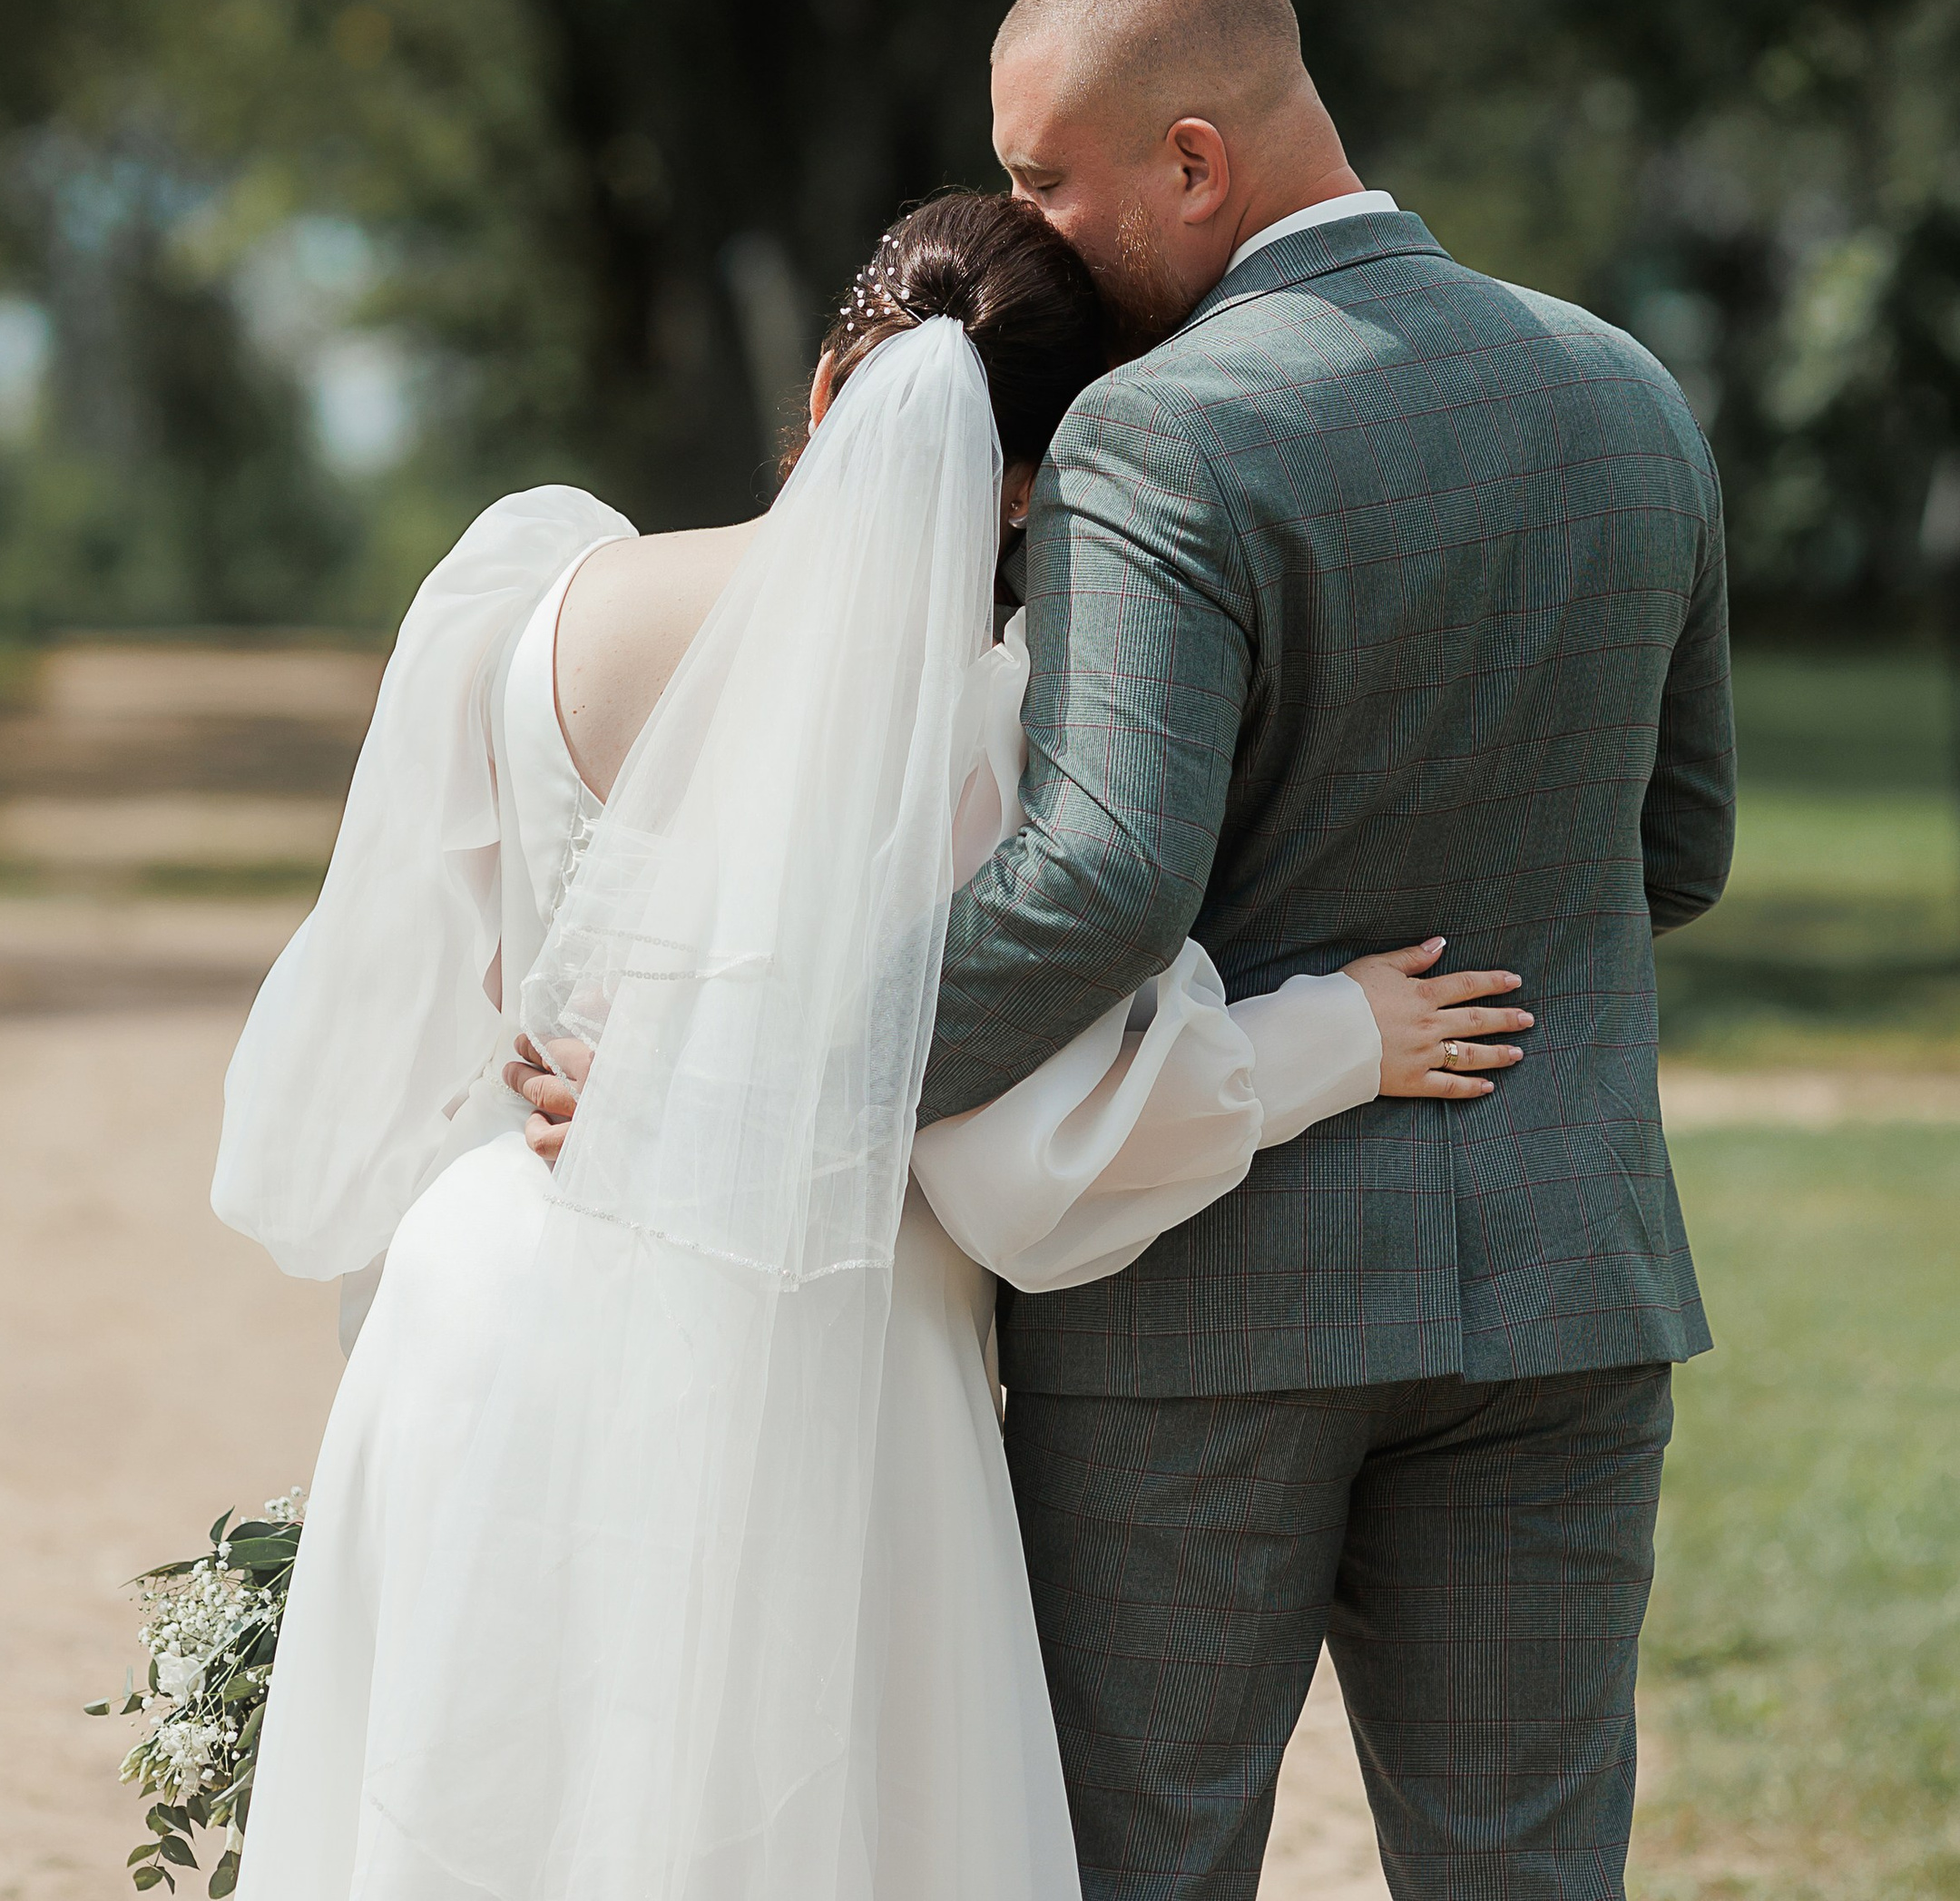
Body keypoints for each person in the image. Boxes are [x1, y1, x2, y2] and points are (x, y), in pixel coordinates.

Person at [211, 190, 1526, 1901]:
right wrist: (1338, 1035)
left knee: (483, 1814)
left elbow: (445, 968)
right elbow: (1026, 1151)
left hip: (494, 1289)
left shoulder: (539, 594)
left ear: (830, 387)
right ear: (1035, 485)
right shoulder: (982, 736)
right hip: (814, 1342)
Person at [904, 0, 1737, 1899]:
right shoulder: (1625, 393)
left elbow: (1099, 880)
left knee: (1141, 1864)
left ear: (1191, 163)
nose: (1027, 223)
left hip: (1203, 1308)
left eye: (1045, 177)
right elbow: (1679, 850)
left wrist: (772, 1064)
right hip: (1559, 1282)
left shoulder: (1153, 435)